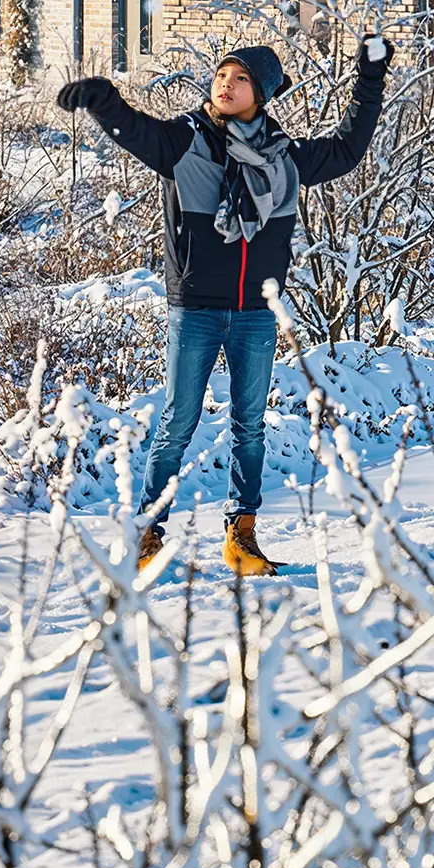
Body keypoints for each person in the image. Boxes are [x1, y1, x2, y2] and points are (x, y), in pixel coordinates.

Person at [56, 35, 390, 577]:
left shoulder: (284, 158)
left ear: (260, 92)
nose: (225, 84)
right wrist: (101, 97)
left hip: (257, 311)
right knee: (179, 419)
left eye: (239, 79)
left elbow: (349, 148)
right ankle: (146, 530)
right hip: (196, 307)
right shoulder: (186, 142)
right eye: (221, 75)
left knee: (249, 425)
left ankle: (241, 536)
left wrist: (370, 79)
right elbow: (136, 129)